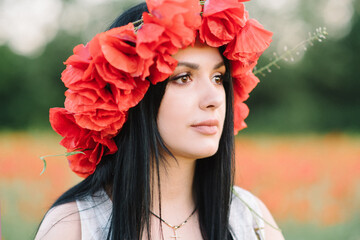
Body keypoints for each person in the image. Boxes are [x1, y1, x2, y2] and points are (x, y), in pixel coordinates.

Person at [35, 0, 285, 239]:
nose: (214, 99)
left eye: (218, 78)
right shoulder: (74, 226)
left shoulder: (249, 220)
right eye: (183, 77)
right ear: (129, 95)